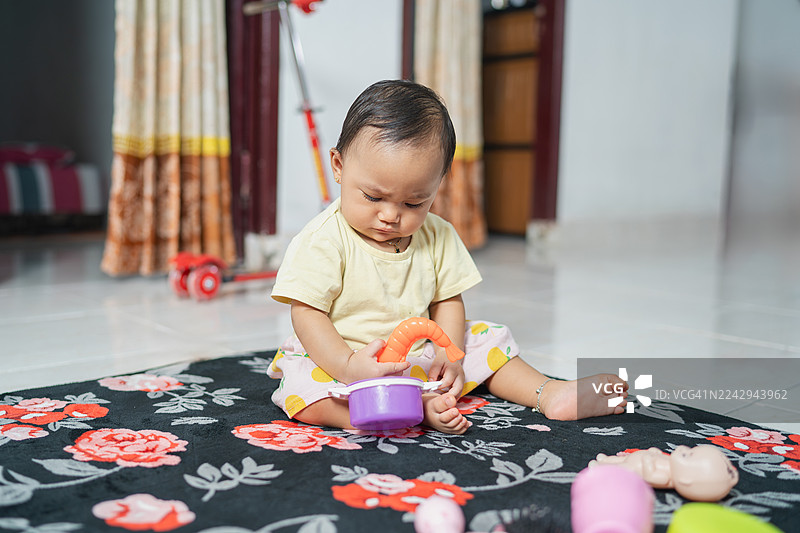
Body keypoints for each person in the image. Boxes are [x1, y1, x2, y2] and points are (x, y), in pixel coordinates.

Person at [269, 80, 627, 434]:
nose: (392, 215)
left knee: (487, 338)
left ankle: (547, 392)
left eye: (413, 203)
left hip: (419, 358)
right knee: (303, 386)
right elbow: (307, 314)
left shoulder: (438, 235)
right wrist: (348, 367)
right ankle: (364, 415)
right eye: (373, 197)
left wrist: (449, 353)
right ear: (338, 166)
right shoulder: (323, 240)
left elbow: (448, 301)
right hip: (342, 359)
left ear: (437, 186)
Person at [588, 445, 739, 501]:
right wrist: (656, 453)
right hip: (636, 458)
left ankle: (601, 467)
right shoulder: (670, 463)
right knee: (618, 460)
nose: (683, 448)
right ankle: (606, 459)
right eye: (691, 450)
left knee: (621, 468)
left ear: (685, 479)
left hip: (635, 468)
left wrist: (648, 462)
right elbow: (659, 457)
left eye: (687, 455)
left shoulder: (666, 478)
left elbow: (650, 477)